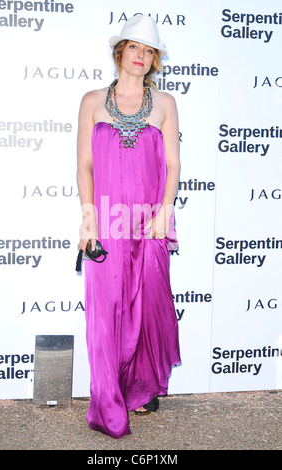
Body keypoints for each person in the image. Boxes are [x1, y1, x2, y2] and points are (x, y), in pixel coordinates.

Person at [77, 15, 181, 439]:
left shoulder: (166, 103)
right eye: (135, 48)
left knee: (147, 304)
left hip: (148, 220)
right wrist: (87, 218)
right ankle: (108, 398)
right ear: (120, 51)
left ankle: (138, 388)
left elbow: (173, 164)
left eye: (149, 51)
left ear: (155, 60)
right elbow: (84, 165)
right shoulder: (92, 101)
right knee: (107, 310)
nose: (142, 56)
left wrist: (164, 211)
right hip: (106, 220)